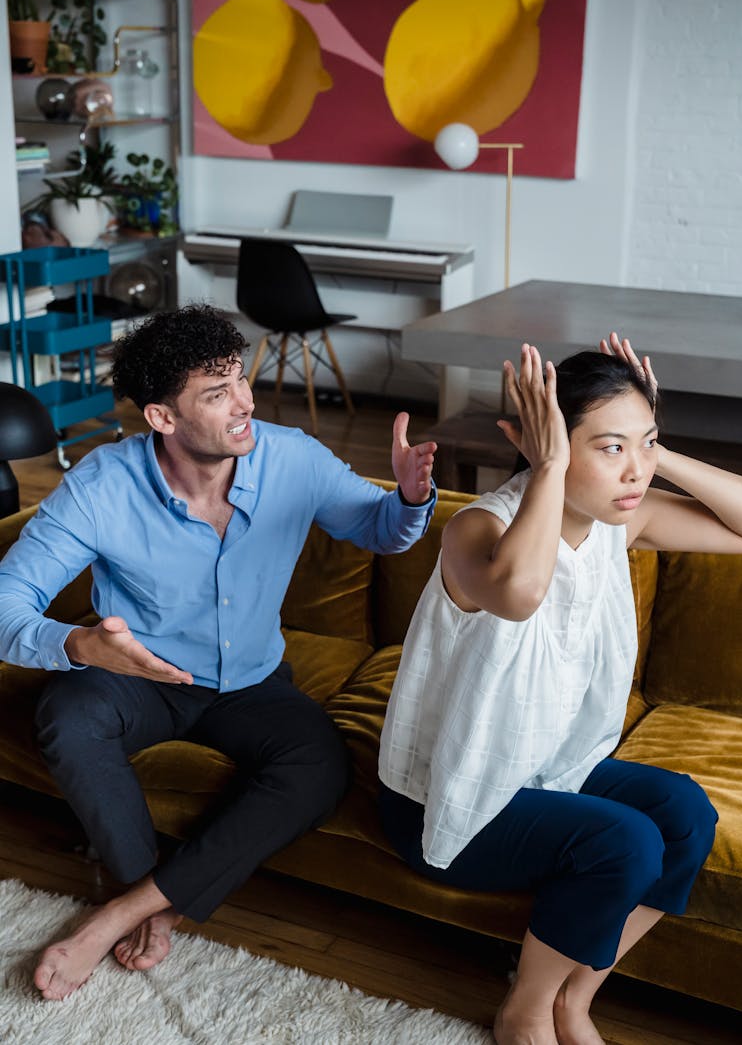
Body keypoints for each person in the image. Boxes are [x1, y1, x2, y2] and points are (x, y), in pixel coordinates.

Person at [0, 303, 437, 1002]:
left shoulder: (291, 456)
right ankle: (147, 892)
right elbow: (5, 603)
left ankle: (131, 908)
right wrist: (80, 643)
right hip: (141, 674)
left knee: (321, 763)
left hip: (253, 681)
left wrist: (411, 495)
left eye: (239, 378)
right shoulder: (102, 485)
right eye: (215, 392)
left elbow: (381, 527)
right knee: (67, 715)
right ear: (162, 418)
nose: (244, 405)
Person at [378, 333, 742, 1045]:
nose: (633, 469)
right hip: (447, 792)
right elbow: (521, 592)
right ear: (538, 440)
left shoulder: (620, 518)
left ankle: (573, 997)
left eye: (645, 443)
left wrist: (645, 442)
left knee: (685, 812)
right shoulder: (477, 529)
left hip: (546, 767)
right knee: (628, 842)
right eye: (609, 448)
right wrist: (549, 461)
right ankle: (525, 1008)